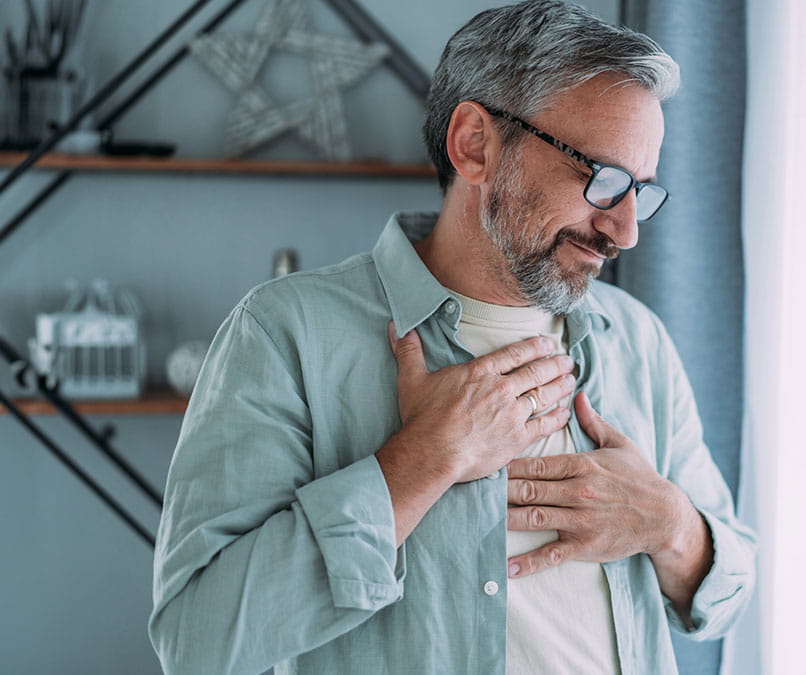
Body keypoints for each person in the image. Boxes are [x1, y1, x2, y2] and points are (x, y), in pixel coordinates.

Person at [149, 1, 755, 673]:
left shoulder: (637, 339)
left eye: (642, 190)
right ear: (474, 144)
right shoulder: (284, 335)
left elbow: (728, 594)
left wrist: (669, 523)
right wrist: (422, 460)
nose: (627, 230)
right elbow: (196, 642)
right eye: (604, 179)